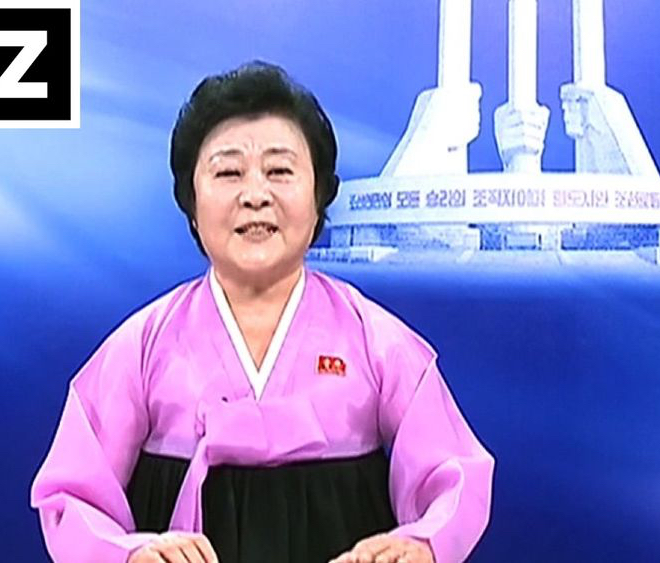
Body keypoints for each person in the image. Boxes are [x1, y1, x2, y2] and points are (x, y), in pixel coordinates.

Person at [31, 61, 494, 563]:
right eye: (228, 172)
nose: (255, 195)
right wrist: (129, 555)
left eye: (280, 171)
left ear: (319, 196)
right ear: (191, 202)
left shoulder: (376, 341)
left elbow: (455, 476)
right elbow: (69, 496)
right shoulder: (141, 347)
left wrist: (421, 545)